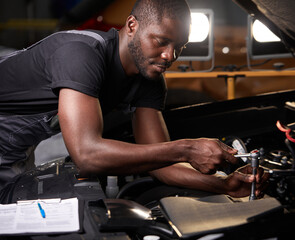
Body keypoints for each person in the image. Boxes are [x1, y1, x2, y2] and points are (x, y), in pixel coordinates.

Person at [0, 0, 268, 197]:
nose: (170, 56)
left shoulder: (149, 80)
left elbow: (162, 165)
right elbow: (87, 154)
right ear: (131, 25)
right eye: (162, 41)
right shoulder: (81, 53)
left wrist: (225, 186)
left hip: (15, 151)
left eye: (180, 46)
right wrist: (186, 147)